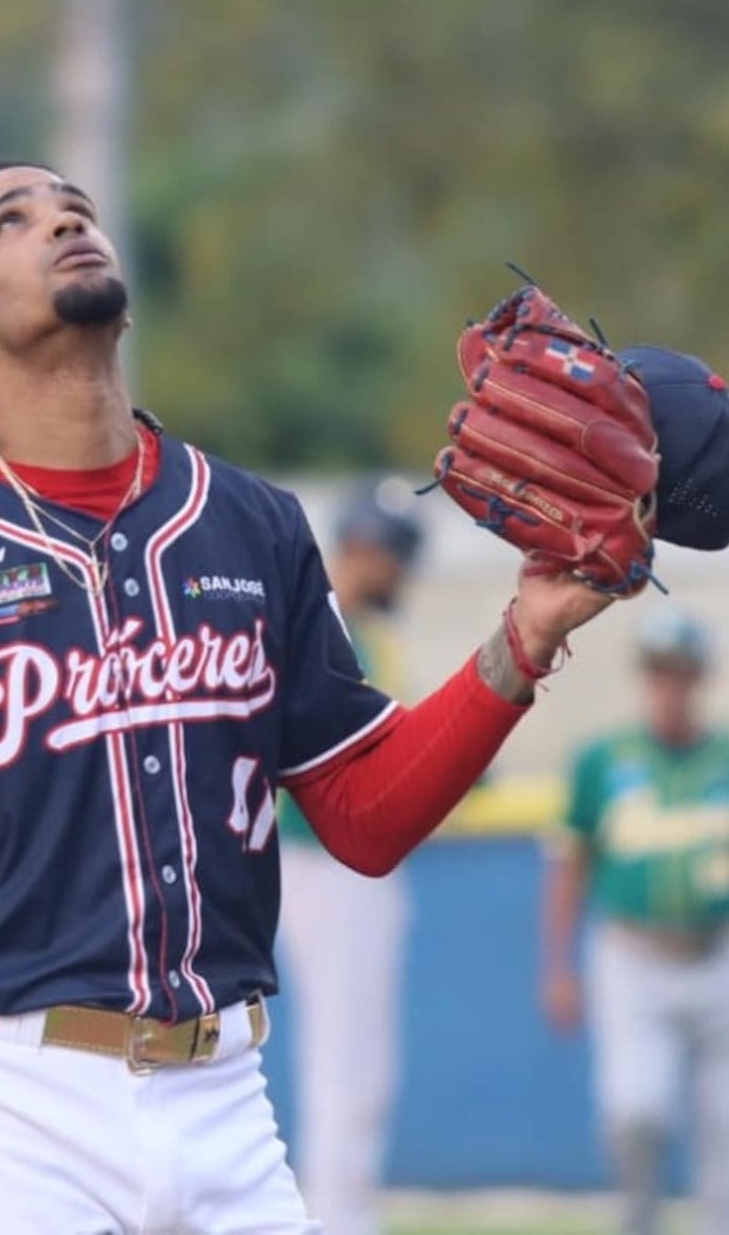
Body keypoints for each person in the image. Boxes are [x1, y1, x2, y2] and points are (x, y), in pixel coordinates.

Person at [0, 162, 627, 1233]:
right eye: (12, 219)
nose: (63, 220)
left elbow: (362, 813)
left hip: (222, 1093)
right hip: (0, 1108)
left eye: (73, 206)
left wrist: (524, 638)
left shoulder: (245, 520)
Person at [539, 608, 729, 1235]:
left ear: (701, 679)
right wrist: (556, 965)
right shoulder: (603, 761)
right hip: (632, 953)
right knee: (635, 1111)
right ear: (646, 678)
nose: (671, 686)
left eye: (682, 673)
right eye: (660, 673)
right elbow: (569, 865)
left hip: (725, 953)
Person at [274, 479, 426, 1235]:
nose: (400, 568)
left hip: (341, 865)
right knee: (347, 1061)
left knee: (356, 1064)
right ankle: (336, 1220)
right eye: (391, 551)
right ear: (359, 546)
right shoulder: (323, 624)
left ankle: (341, 1213)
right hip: (325, 862)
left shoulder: (365, 630)